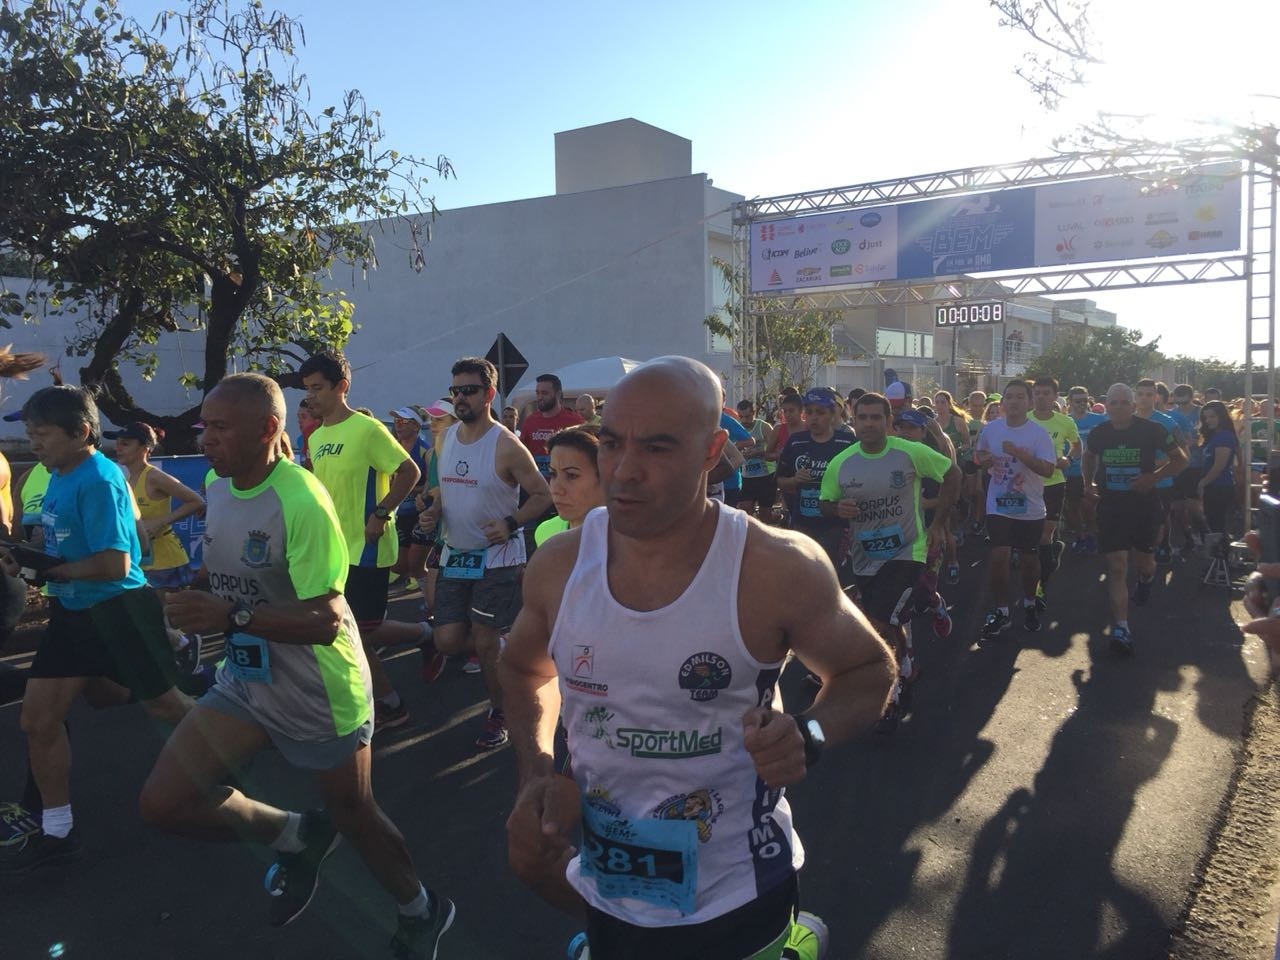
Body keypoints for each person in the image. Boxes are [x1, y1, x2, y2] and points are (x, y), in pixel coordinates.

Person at [502, 356, 895, 960]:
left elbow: (868, 670)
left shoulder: (775, 567)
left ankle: (795, 943)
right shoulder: (559, 566)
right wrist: (537, 768)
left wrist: (810, 732)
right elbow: (528, 669)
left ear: (712, 451)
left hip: (736, 890)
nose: (625, 472)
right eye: (612, 444)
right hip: (609, 879)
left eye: (658, 448)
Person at [138, 374, 455, 958]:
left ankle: (422, 908)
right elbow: (236, 570)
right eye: (203, 426)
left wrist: (228, 615)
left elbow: (327, 620)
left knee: (355, 815)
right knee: (163, 803)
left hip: (319, 688)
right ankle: (295, 834)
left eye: (219, 428)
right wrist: (196, 592)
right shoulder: (218, 483)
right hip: (247, 680)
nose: (205, 439)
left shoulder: (302, 501)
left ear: (267, 430)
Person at [0, 386, 193, 873]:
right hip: (73, 613)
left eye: (41, 434)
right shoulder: (55, 474)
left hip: (119, 610)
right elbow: (62, 549)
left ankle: (235, 745)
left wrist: (48, 573)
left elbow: (113, 563)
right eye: (29, 434)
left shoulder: (101, 478)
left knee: (167, 706)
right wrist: (26, 560)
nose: (33, 443)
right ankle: (59, 830)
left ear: (81, 432)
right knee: (39, 721)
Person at [420, 356, 552, 749]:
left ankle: (501, 710)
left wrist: (511, 523)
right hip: (456, 555)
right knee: (446, 640)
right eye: (456, 390)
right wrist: (433, 513)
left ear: (489, 394)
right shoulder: (444, 439)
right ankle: (504, 645)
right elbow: (447, 490)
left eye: (470, 390)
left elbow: (542, 494)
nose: (461, 397)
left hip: (498, 559)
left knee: (483, 638)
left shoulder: (506, 445)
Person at [300, 351, 428, 732]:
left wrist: (382, 512)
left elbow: (410, 471)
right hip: (333, 549)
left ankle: (391, 704)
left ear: (342, 387)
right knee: (353, 630)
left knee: (350, 632)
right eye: (307, 390)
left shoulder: (367, 429)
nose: (310, 397)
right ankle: (425, 637)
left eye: (318, 388)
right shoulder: (317, 436)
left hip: (367, 548)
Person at [820, 396, 959, 730]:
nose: (868, 424)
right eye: (862, 418)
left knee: (880, 619)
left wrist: (939, 522)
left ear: (888, 421)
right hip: (866, 556)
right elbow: (825, 502)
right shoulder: (842, 462)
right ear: (852, 420)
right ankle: (909, 654)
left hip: (907, 551)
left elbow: (952, 474)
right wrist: (837, 510)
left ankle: (892, 690)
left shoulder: (908, 452)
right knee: (883, 616)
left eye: (875, 418)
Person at [1081, 383, 1187, 655]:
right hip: (1111, 506)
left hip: (1144, 505)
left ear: (1132, 406)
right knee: (1117, 565)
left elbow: (1180, 459)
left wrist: (1154, 477)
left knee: (1145, 562)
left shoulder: (1152, 430)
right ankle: (1121, 627)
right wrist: (1088, 483)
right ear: (1107, 406)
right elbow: (1088, 456)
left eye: (1123, 403)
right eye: (1113, 403)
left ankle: (1146, 579)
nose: (1117, 407)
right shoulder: (1099, 432)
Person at [108, 420, 206, 663]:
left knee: (166, 614)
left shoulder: (155, 477)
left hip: (164, 556)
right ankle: (169, 653)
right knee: (144, 614)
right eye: (117, 443)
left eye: (126, 444)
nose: (118, 448)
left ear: (145, 448)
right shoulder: (125, 479)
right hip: (140, 557)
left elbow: (196, 501)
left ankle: (185, 646)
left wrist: (161, 521)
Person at [975, 380, 1057, 639]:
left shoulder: (1037, 434)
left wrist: (1021, 454)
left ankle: (1030, 603)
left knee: (1029, 558)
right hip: (998, 504)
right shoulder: (991, 430)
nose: (1013, 401)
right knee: (999, 555)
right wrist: (984, 460)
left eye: (1020, 397)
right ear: (1002, 403)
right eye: (1009, 397)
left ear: (1029, 402)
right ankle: (1002, 611)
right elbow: (979, 457)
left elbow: (1048, 469)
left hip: (1030, 506)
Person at [776, 389, 856, 567]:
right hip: (803, 522)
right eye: (809, 412)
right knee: (803, 572)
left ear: (833, 413)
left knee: (829, 570)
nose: (814, 418)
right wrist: (794, 480)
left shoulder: (847, 442)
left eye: (820, 413)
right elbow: (779, 480)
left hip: (835, 524)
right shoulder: (796, 441)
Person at [1028, 377, 1080, 609]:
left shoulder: (1065, 422)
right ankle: (1050, 556)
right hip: (1027, 485)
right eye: (1037, 392)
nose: (1041, 397)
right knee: (1031, 539)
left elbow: (1077, 445)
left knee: (1044, 535)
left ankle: (1041, 588)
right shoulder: (1023, 420)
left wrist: (1067, 458)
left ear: (1055, 396)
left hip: (1054, 483)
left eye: (1046, 393)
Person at [1135, 379, 1186, 564]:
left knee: (1160, 519)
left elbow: (1183, 453)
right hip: (1135, 479)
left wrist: (1156, 464)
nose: (1144, 398)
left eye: (1149, 394)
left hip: (1161, 480)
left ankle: (1164, 546)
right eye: (1140, 394)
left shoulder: (1167, 422)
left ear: (1156, 397)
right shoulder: (1128, 419)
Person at [535, 427, 605, 545]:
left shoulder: (630, 539)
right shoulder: (545, 532)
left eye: (572, 475)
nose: (556, 489)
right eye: (553, 474)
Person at [388, 405, 432, 589]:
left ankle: (433, 603)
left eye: (404, 421)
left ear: (416, 426)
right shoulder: (392, 447)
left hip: (420, 512)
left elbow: (431, 485)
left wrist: (409, 487)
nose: (399, 425)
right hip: (399, 513)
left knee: (415, 565)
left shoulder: (424, 450)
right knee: (400, 565)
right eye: (397, 421)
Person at [1063, 386, 1107, 554]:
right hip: (1073, 471)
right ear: (1070, 402)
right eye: (1077, 401)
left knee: (1089, 505)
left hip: (1095, 470)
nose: (1082, 404)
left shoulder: (1100, 420)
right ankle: (1082, 536)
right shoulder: (1065, 421)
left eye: (1085, 400)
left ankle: (1092, 535)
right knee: (1073, 507)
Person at [1167, 384, 1208, 555]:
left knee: (1194, 507)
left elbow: (1212, 436)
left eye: (1185, 402)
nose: (1182, 406)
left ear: (1192, 398)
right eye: (1179, 402)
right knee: (1177, 508)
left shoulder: (1202, 413)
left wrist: (1197, 441)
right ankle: (1189, 538)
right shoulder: (1171, 415)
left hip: (1198, 464)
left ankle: (1205, 534)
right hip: (1178, 465)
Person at [1197, 400, 1239, 547]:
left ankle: (1222, 562)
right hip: (1213, 486)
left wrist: (1202, 483)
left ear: (1221, 416)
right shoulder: (1214, 436)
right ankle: (1219, 561)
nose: (1208, 421)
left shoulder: (1225, 436)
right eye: (1206, 418)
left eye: (1212, 416)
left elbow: (1219, 466)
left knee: (1218, 526)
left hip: (1220, 486)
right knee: (1213, 524)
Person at [735, 398, 777, 520]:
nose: (744, 420)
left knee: (765, 515)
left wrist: (759, 452)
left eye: (747, 417)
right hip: (746, 477)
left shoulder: (763, 427)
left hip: (766, 476)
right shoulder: (737, 428)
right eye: (741, 417)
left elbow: (775, 450)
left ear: (754, 413)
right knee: (744, 511)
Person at [295, 399, 320, 469]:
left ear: (317, 420)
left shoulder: (323, 439)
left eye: (304, 417)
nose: (299, 421)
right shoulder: (300, 440)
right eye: (298, 417)